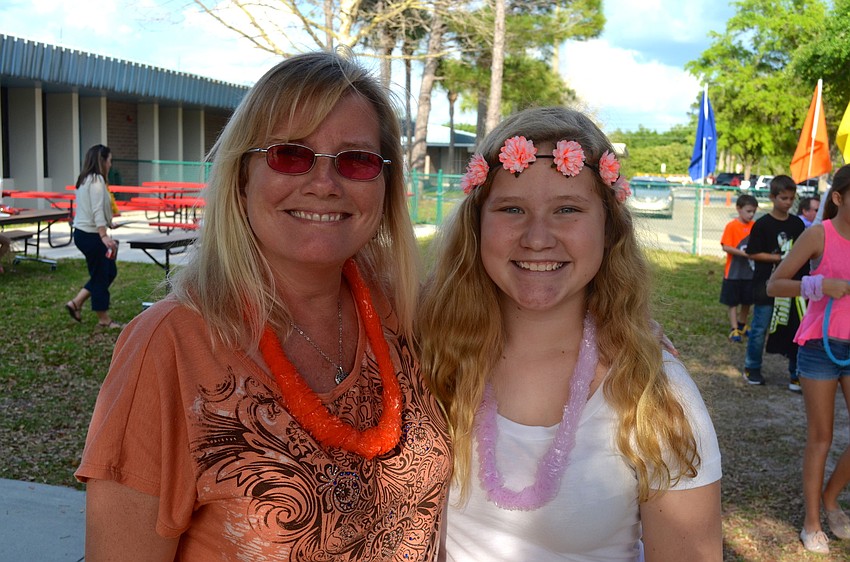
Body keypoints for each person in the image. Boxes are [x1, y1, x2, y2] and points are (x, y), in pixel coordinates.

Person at [74, 51, 451, 560]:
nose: (324, 184)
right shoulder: (168, 347)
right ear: (241, 178)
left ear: (385, 187)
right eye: (290, 154)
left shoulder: (405, 312)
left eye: (356, 160)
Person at [418, 107, 722, 560]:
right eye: (512, 209)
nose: (537, 238)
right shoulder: (425, 353)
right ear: (477, 225)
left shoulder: (654, 392)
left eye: (567, 210)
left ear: (609, 229)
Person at [767, 164, 850, 554]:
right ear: (839, 197)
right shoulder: (819, 234)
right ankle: (811, 522)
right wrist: (820, 285)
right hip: (820, 348)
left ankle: (831, 499)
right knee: (821, 438)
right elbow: (775, 285)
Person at [743, 175, 806, 390]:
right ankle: (752, 367)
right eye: (783, 198)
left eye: (791, 198)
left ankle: (795, 373)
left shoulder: (797, 224)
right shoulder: (762, 224)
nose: (788, 202)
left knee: (795, 329)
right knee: (760, 328)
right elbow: (752, 253)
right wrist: (779, 258)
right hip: (766, 286)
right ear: (772, 197)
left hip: (791, 287)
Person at [63, 144, 122, 329]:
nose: (110, 165)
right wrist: (104, 235)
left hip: (85, 233)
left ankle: (76, 303)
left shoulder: (85, 179)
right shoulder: (96, 180)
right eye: (109, 160)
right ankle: (104, 319)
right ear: (101, 160)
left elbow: (92, 209)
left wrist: (108, 222)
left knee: (108, 272)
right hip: (91, 235)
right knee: (101, 276)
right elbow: (96, 209)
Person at [720, 194, 758, 342]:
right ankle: (734, 327)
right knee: (733, 301)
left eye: (753, 211)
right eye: (748, 211)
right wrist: (744, 254)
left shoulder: (755, 226)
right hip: (734, 272)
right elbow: (726, 246)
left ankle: (742, 324)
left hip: (749, 272)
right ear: (738, 209)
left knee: (747, 300)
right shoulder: (732, 226)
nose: (751, 214)